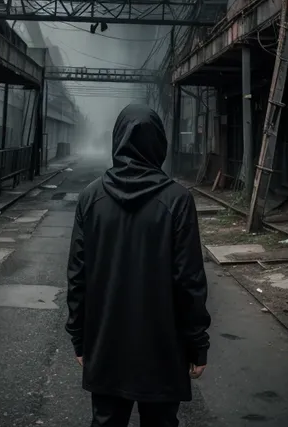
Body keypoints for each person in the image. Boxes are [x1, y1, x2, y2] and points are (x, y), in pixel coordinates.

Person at [66, 103, 211, 427]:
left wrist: (79, 338)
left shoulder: (90, 198)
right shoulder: (177, 200)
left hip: (105, 344)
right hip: (163, 349)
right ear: (160, 144)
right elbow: (189, 280)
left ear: (117, 140)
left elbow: (78, 276)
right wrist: (197, 344)